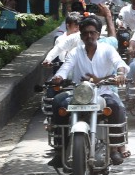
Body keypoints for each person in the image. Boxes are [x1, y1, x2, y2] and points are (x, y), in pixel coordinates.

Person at [50, 15, 130, 166]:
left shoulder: (107, 49)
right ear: (81, 36)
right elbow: (65, 67)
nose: (89, 36)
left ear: (98, 34)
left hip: (103, 92)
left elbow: (120, 63)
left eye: (92, 32)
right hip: (79, 94)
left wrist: (120, 73)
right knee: (58, 102)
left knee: (116, 106)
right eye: (85, 33)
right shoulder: (75, 52)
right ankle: (60, 150)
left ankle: (114, 149)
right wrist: (59, 77)